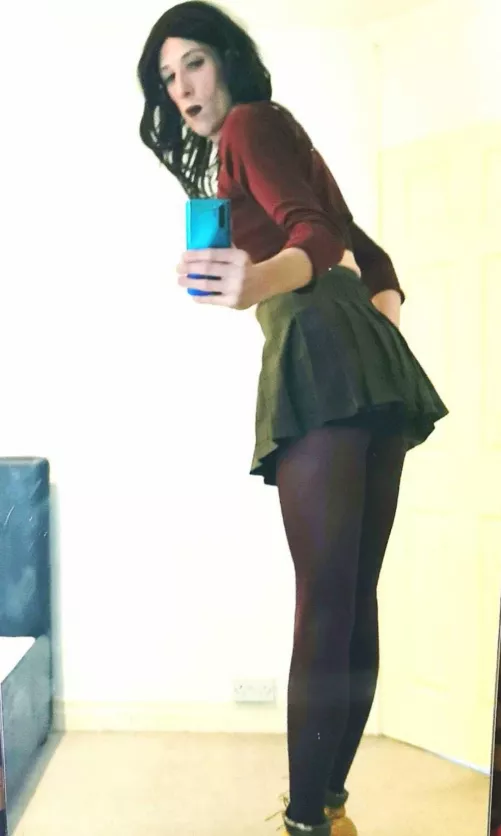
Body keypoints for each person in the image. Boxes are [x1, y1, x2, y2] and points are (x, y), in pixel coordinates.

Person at [137, 3, 448, 834]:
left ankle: (305, 819)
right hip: (372, 365)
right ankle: (327, 807)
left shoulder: (248, 124)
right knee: (349, 597)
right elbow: (366, 256)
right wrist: (366, 324)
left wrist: (261, 284)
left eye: (193, 63)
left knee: (323, 601)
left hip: (319, 351)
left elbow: (310, 237)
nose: (182, 88)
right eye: (167, 78)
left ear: (227, 60)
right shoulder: (268, 134)